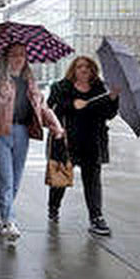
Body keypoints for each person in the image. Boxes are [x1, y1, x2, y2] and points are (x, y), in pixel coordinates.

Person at [0, 43, 64, 241]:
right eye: (14, 55)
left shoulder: (30, 82)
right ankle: (9, 221)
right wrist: (1, 97)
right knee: (6, 180)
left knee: (15, 182)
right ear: (6, 58)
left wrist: (55, 125)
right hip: (0, 133)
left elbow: (42, 107)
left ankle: (2, 217)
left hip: (22, 133)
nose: (18, 58)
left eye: (22, 55)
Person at [46, 56, 120, 237]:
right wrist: (71, 104)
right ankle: (53, 207)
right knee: (60, 182)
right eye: (80, 67)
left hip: (92, 142)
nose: (84, 70)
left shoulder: (99, 89)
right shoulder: (60, 87)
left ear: (93, 70)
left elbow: (109, 114)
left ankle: (96, 218)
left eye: (87, 67)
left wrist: (113, 98)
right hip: (66, 142)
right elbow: (50, 110)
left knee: (93, 181)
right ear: (73, 70)